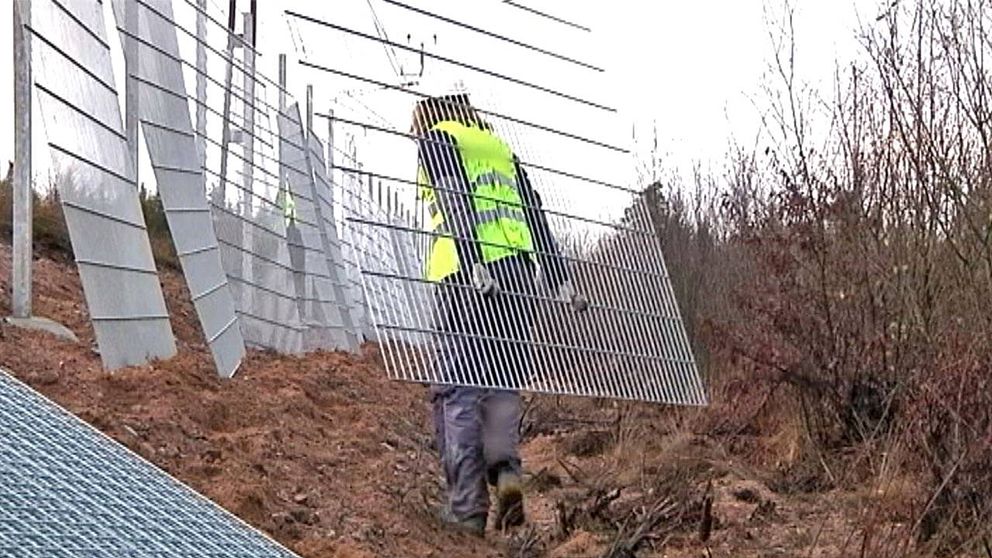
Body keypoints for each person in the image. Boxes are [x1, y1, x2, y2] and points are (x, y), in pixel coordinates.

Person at [412, 89, 588, 536]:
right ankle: (506, 472)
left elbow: (454, 199)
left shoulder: (439, 137)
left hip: (468, 280)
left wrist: (472, 261)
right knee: (501, 386)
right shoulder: (498, 148)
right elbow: (534, 211)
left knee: (459, 390)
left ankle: (468, 509)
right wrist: (558, 276)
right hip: (520, 278)